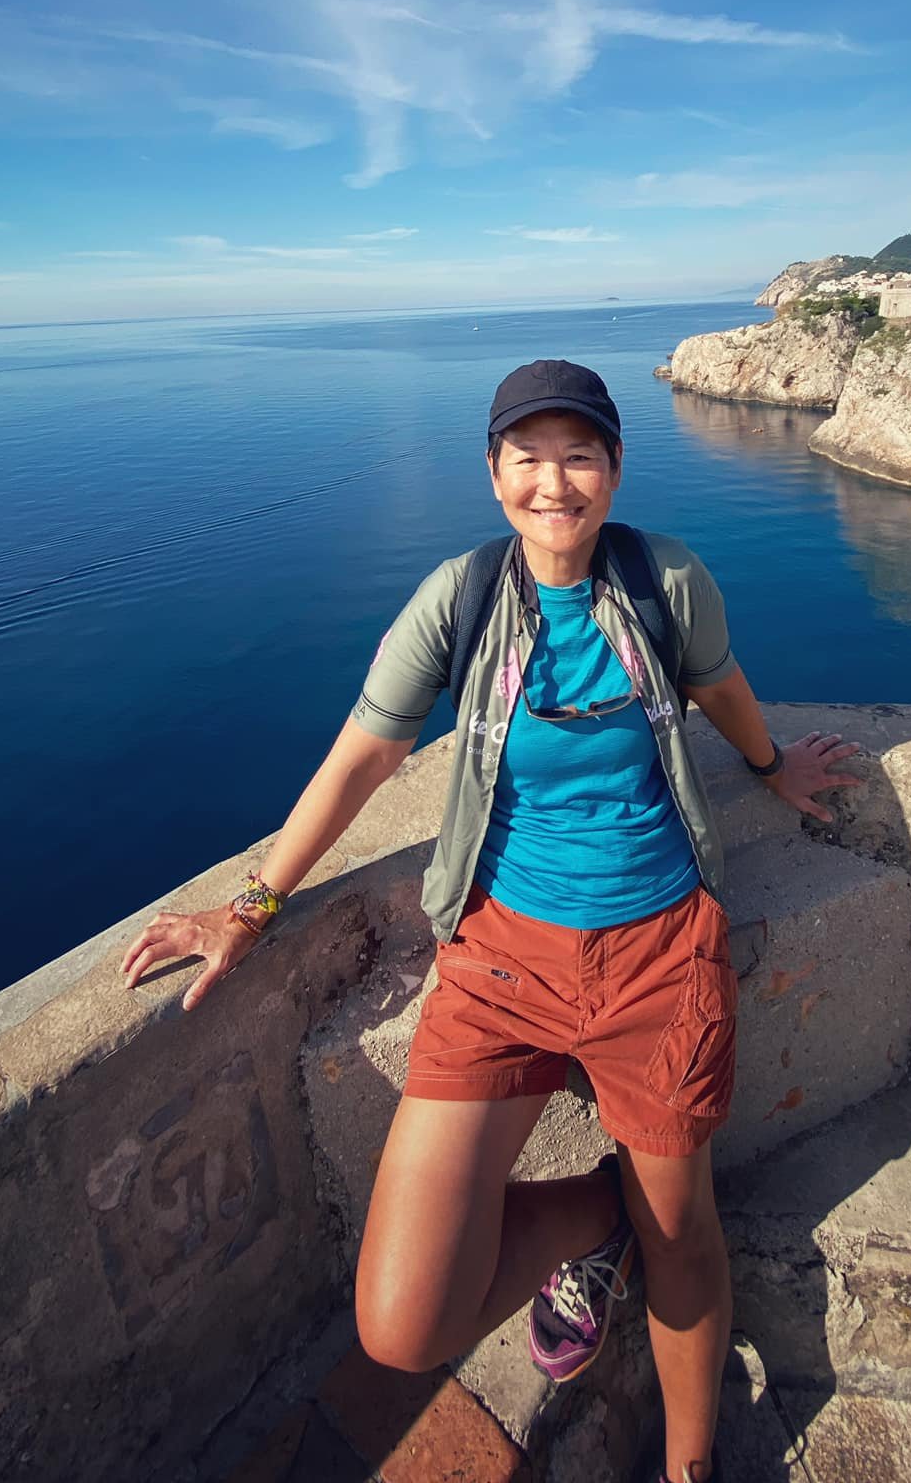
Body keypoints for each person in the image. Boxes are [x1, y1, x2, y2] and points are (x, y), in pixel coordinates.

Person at [121, 359, 860, 1483]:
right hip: (500, 960)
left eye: (579, 455)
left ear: (614, 466)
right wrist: (253, 903)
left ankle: (690, 1462)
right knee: (403, 1323)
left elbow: (716, 683)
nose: (553, 481)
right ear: (493, 470)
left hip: (660, 949)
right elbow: (364, 752)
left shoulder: (667, 577)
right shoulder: (459, 598)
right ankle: (606, 1215)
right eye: (528, 456)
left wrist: (772, 764)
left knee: (688, 1242)